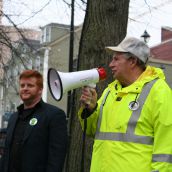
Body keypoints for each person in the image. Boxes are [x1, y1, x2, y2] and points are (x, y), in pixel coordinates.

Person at [78, 37, 172, 172]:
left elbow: (166, 150)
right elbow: (91, 131)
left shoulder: (160, 92)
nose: (110, 64)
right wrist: (91, 110)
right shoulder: (110, 91)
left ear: (133, 61)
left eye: (116, 59)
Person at [0, 70, 68, 172]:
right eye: (22, 85)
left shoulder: (54, 115)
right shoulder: (13, 118)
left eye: (30, 85)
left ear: (40, 89)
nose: (25, 89)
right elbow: (7, 154)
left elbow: (56, 158)